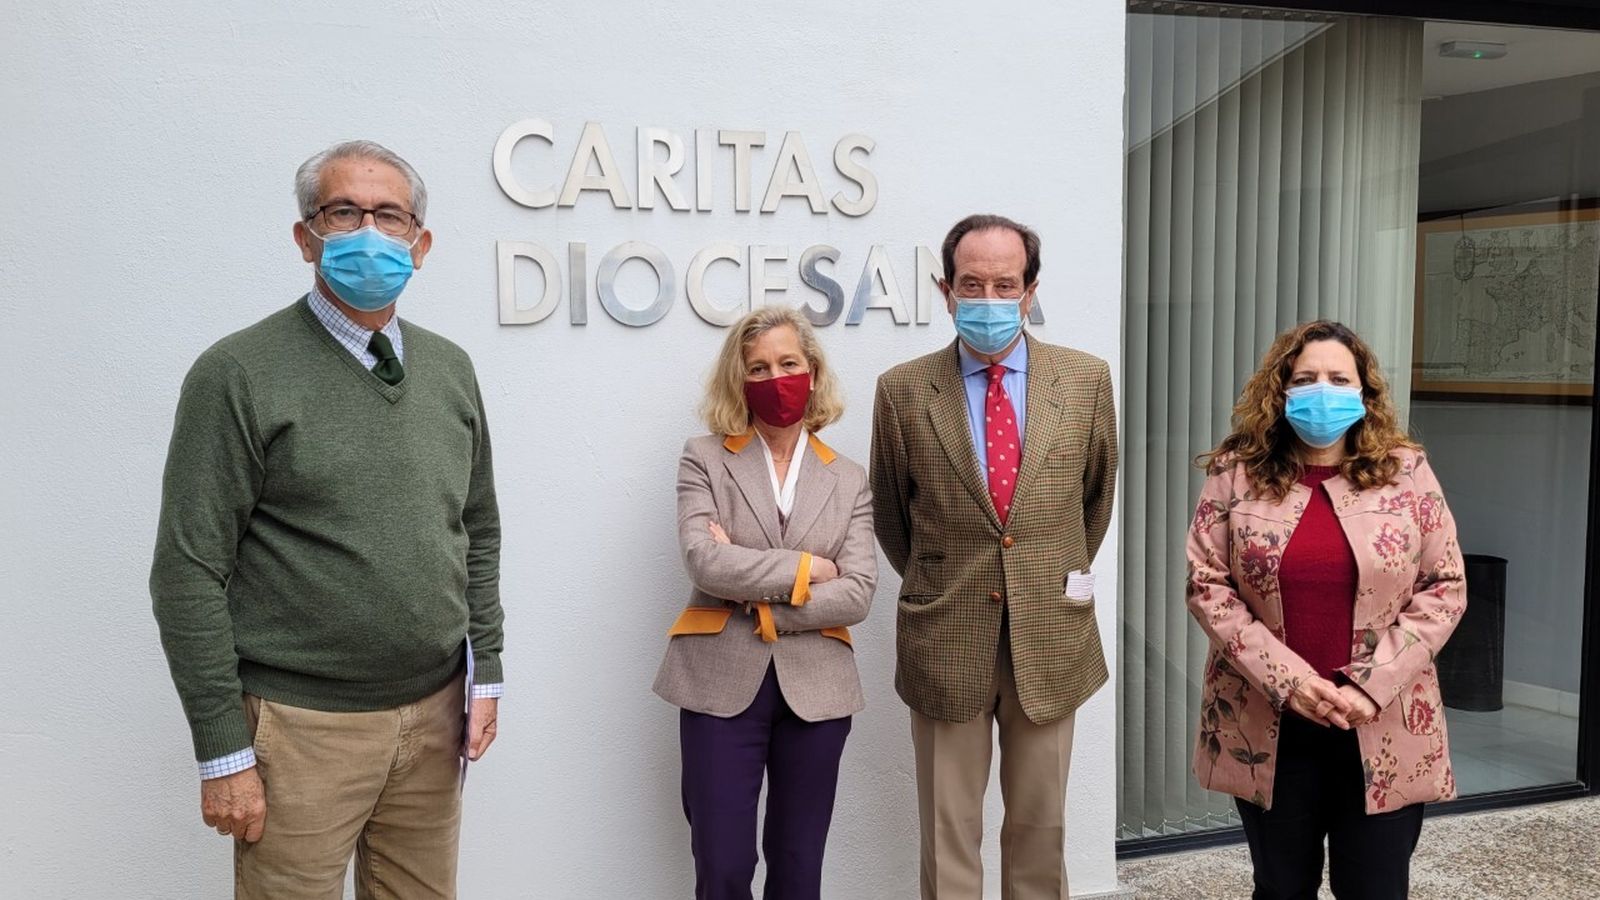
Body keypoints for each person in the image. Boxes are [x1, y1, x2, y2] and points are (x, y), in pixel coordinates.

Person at [149, 140, 505, 899]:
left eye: (390, 215)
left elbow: (477, 532)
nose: (368, 231)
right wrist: (224, 752)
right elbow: (188, 570)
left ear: (422, 241)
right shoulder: (238, 373)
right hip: (299, 729)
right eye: (344, 211)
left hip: (436, 719)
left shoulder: (451, 369)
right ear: (305, 236)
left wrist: (489, 672)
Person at [870, 214, 1118, 899]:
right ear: (945, 291)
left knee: (1042, 831)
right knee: (948, 835)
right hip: (945, 634)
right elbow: (894, 517)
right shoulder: (902, 391)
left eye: (1004, 284)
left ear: (1031, 290)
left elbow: (1092, 503)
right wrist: (946, 578)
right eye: (971, 284)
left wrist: (1041, 573)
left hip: (1052, 636)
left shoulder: (1086, 380)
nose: (988, 298)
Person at [1186, 319, 1466, 899]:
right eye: (1306, 377)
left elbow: (1445, 586)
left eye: (1339, 379)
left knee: (1377, 889)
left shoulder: (1406, 470)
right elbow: (1207, 585)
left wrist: (1368, 687)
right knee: (1281, 888)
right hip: (1270, 723)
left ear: (1364, 394)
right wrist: (1294, 683)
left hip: (1383, 719)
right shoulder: (1236, 471)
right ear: (1281, 390)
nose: (1322, 390)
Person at [654, 306, 877, 900]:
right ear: (739, 379)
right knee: (723, 863)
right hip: (716, 681)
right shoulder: (704, 456)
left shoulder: (848, 476)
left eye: (788, 363)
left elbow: (858, 591)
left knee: (799, 866)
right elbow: (704, 560)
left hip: (818, 688)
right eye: (758, 367)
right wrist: (810, 568)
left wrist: (761, 601)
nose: (775, 379)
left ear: (813, 370)